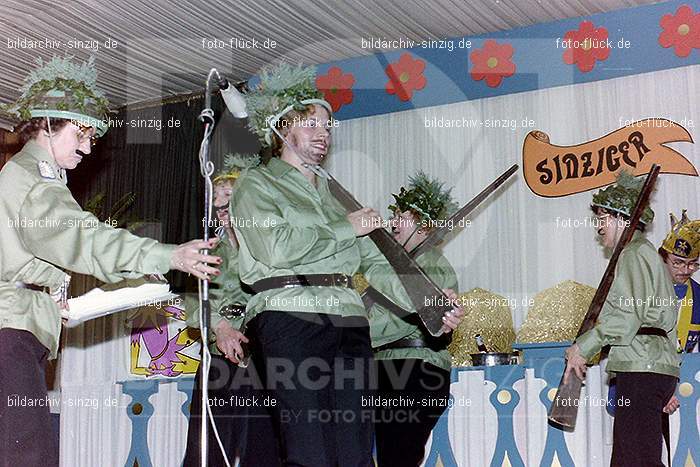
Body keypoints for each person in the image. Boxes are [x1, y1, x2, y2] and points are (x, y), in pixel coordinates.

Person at [230, 63, 461, 467]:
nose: (324, 133)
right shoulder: (256, 183)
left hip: (350, 324)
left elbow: (380, 264)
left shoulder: (338, 195)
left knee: (354, 450)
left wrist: (431, 305)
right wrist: (345, 227)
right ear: (282, 128)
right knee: (309, 447)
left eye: (328, 125)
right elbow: (274, 247)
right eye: (311, 123)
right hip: (290, 317)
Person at [0, 56, 221, 467]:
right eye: (81, 132)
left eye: (93, 137)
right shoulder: (35, 179)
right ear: (49, 123)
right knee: (27, 455)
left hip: (19, 326)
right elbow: (83, 238)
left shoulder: (22, 176)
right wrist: (166, 254)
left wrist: (50, 296)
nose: (87, 147)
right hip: (10, 334)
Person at [563, 172, 680, 467]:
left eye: (603, 217)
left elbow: (628, 317)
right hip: (650, 366)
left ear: (621, 218)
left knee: (635, 459)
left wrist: (583, 347)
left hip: (641, 368)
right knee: (635, 456)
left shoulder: (632, 253)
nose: (598, 226)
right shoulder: (644, 254)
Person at [182, 154, 281, 466]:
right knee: (208, 449)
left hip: (266, 360)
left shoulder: (273, 250)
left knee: (266, 449)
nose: (221, 206)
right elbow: (193, 302)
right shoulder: (206, 251)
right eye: (217, 197)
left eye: (228, 195)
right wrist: (221, 327)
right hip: (219, 361)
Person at [366, 172, 464, 467]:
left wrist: (350, 334)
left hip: (413, 371)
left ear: (423, 225)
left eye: (401, 216)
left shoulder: (429, 265)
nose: (392, 221)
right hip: (391, 369)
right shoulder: (399, 266)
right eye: (393, 214)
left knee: (397, 457)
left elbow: (407, 317)